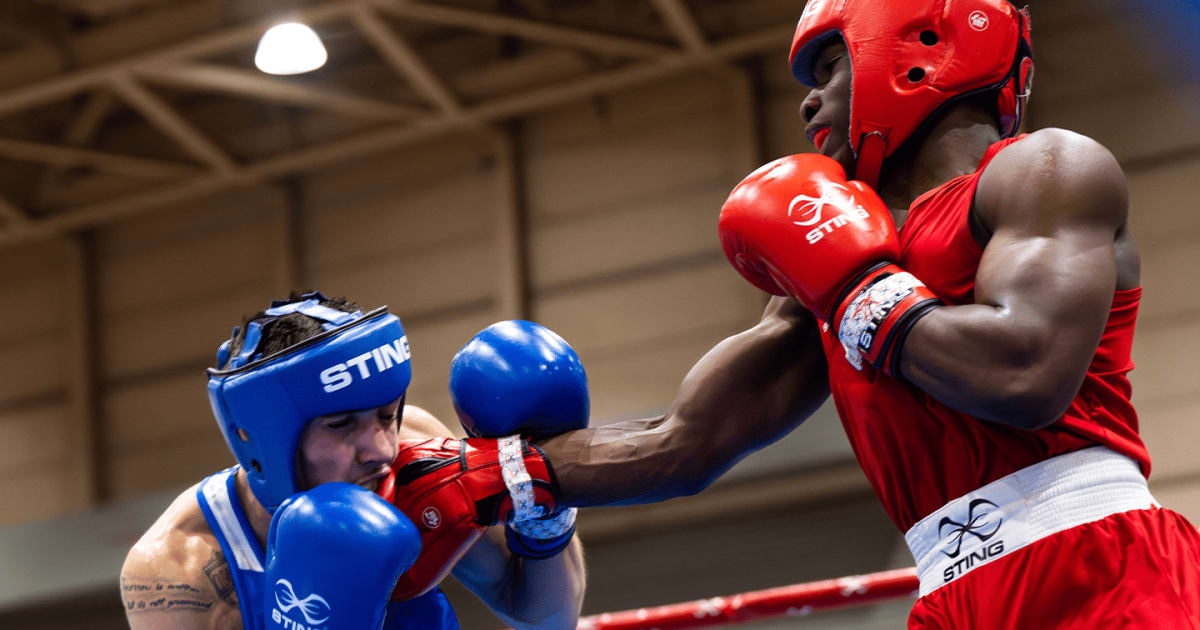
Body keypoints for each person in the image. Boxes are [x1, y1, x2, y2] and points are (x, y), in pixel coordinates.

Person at [396, 1, 1200, 627]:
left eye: (828, 64)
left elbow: (1024, 372)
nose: (811, 99)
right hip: (951, 593)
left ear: (920, 48)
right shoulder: (838, 262)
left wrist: (852, 284)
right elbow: (686, 441)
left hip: (1099, 564)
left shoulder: (1044, 170)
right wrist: (499, 478)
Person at [119, 292, 585, 630]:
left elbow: (547, 619)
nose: (381, 450)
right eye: (341, 425)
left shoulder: (413, 449)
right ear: (260, 439)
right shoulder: (176, 569)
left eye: (386, 415)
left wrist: (546, 514)